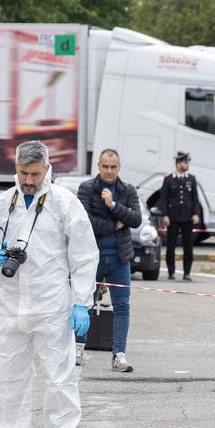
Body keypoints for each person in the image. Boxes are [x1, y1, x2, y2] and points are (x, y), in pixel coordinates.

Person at [0, 140, 98, 428]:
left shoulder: (64, 203)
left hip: (52, 304)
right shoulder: (3, 204)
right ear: (15, 169)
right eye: (23, 173)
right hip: (12, 304)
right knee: (9, 379)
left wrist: (82, 303)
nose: (29, 180)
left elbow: (85, 255)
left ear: (47, 168)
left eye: (34, 173)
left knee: (59, 379)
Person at [76, 149, 142, 372]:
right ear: (98, 166)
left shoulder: (128, 190)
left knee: (122, 306)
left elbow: (136, 220)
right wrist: (115, 225)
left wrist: (113, 206)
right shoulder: (86, 188)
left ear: (119, 167)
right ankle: (78, 349)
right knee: (85, 302)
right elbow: (86, 222)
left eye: (113, 167)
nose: (109, 171)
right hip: (91, 258)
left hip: (120, 258)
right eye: (105, 166)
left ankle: (119, 355)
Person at [160, 151, 200, 281]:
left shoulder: (191, 179)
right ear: (178, 164)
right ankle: (171, 271)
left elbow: (195, 198)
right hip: (173, 217)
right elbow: (164, 199)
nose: (187, 164)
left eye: (187, 162)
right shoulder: (168, 179)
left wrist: (196, 213)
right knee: (171, 246)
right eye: (184, 162)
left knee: (188, 246)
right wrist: (165, 215)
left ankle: (187, 272)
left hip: (187, 217)